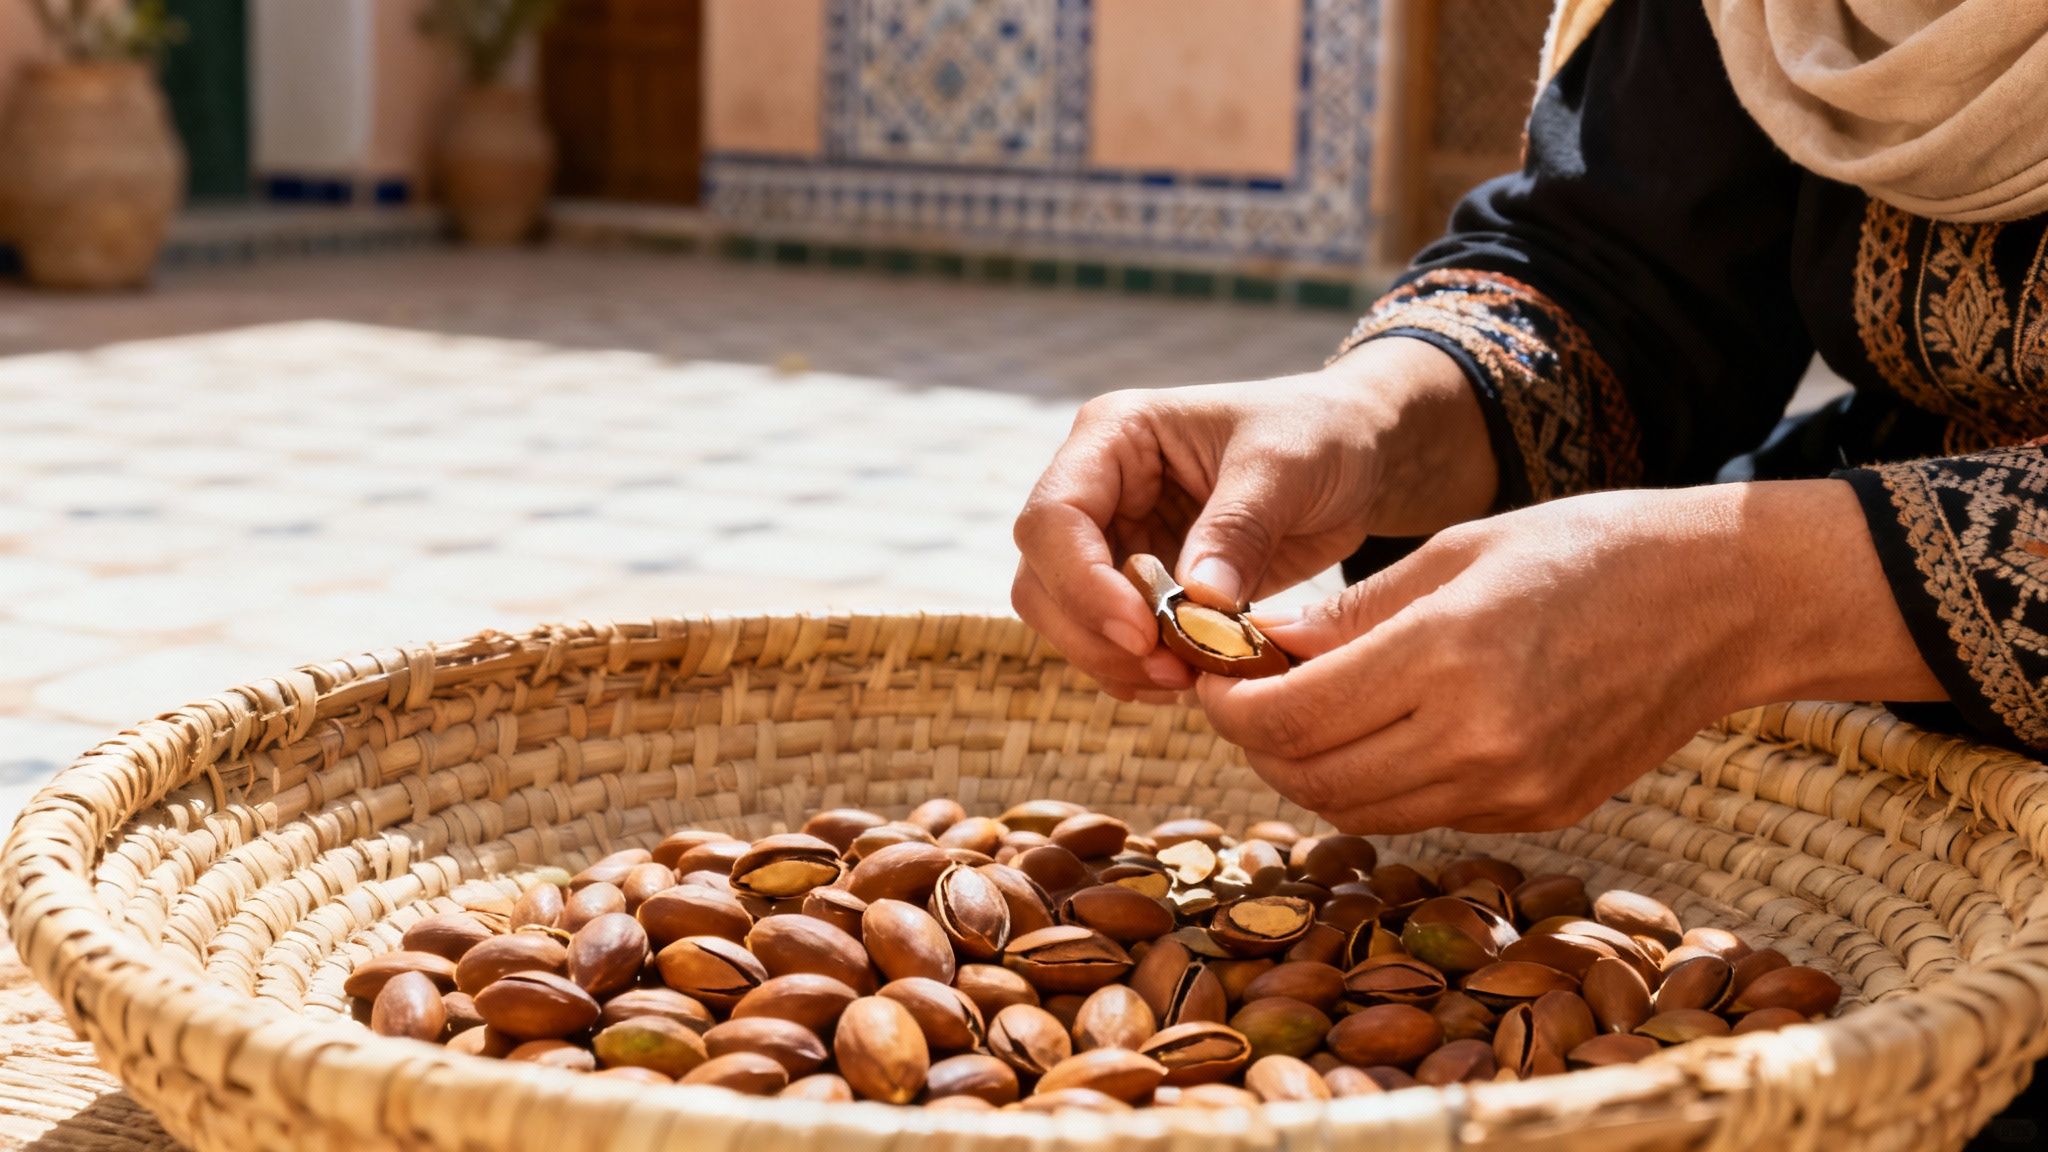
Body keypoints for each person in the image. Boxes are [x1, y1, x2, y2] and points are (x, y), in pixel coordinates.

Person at [1010, 0, 2048, 839]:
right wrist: (1372, 416)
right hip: (1875, 798)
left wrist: (1743, 596)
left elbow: (1728, 583)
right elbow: (1624, 275)